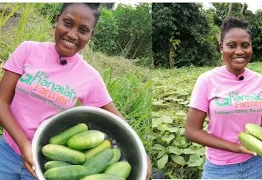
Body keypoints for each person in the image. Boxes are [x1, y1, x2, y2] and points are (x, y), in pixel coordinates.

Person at [0, 3, 150, 179]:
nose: (72, 35)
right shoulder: (28, 50)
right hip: (7, 151)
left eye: (83, 30)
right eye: (68, 23)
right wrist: (24, 144)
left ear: (90, 35)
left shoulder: (90, 77)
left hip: (46, 162)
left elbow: (116, 118)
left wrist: (143, 153)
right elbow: (2, 101)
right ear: (57, 20)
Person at [185, 17, 262, 179]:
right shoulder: (207, 80)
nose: (239, 51)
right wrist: (236, 147)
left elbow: (261, 118)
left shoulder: (259, 80)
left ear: (251, 47)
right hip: (220, 167)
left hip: (256, 162)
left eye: (245, 45)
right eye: (231, 45)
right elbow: (191, 131)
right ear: (221, 47)